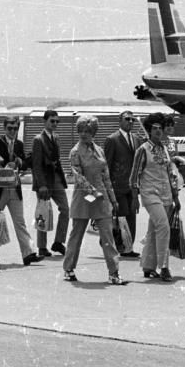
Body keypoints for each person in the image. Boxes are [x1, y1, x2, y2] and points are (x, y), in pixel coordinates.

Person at [62, 116, 125, 284]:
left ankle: (114, 272)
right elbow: (78, 176)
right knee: (76, 235)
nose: (84, 134)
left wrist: (113, 199)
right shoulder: (75, 152)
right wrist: (93, 192)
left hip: (102, 198)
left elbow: (106, 177)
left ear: (93, 133)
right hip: (84, 197)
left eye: (87, 131)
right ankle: (68, 268)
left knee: (107, 236)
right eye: (81, 130)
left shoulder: (100, 150)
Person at [130, 112, 181, 282]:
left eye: (161, 128)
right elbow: (134, 176)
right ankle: (164, 266)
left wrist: (175, 196)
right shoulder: (142, 150)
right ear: (149, 130)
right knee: (163, 227)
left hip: (166, 194)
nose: (158, 131)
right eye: (155, 128)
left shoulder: (165, 149)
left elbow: (170, 173)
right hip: (150, 194)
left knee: (153, 230)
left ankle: (148, 266)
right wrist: (134, 197)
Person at [0, 116, 41, 266]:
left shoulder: (19, 144)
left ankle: (28, 253)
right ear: (4, 128)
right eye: (10, 128)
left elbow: (23, 162)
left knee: (20, 221)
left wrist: (20, 162)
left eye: (15, 128)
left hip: (14, 187)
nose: (12, 131)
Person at [103, 111, 142, 258]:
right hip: (117, 185)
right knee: (122, 215)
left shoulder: (137, 139)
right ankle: (118, 244)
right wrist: (108, 187)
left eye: (132, 119)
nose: (130, 122)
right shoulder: (112, 139)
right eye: (127, 119)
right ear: (120, 121)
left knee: (132, 214)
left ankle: (128, 247)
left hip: (132, 186)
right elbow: (107, 164)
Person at [31, 110, 69, 257]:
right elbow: (36, 165)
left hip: (57, 179)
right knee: (43, 212)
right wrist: (41, 184)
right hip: (45, 181)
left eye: (57, 121)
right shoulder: (38, 140)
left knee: (65, 209)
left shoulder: (56, 137)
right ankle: (42, 247)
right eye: (52, 121)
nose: (55, 124)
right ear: (45, 121)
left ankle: (58, 242)